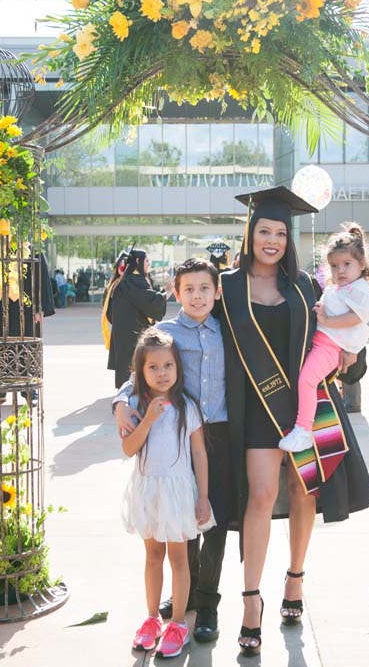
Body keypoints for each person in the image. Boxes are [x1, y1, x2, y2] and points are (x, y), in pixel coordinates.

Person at [219, 186, 369, 655]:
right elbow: (187, 336)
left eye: (280, 233)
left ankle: (295, 578)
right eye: (264, 231)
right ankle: (251, 602)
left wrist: (351, 360)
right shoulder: (226, 284)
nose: (272, 240)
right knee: (261, 495)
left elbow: (343, 333)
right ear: (250, 234)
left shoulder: (306, 286)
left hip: (304, 411)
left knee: (301, 491)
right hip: (255, 409)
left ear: (289, 239)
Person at [115, 258, 232, 644]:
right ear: (175, 291)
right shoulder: (163, 333)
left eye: (204, 289)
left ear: (217, 291)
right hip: (176, 431)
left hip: (220, 434)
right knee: (181, 525)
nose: (197, 297)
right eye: (188, 290)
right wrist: (119, 404)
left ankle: (207, 602)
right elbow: (136, 379)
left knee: (213, 521)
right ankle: (186, 594)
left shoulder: (229, 331)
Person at [121, 328, 213, 658]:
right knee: (153, 556)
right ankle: (151, 619)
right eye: (153, 367)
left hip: (178, 493)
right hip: (149, 491)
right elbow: (130, 448)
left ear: (177, 367)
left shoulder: (186, 407)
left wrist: (203, 497)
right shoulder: (134, 405)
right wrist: (146, 419)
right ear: (141, 371)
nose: (162, 373)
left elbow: (199, 453)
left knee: (179, 558)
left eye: (168, 366)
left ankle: (177, 623)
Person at [279, 222, 369, 452]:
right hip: (321, 342)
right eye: (334, 266)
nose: (340, 270)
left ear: (361, 264)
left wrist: (326, 321)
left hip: (331, 347)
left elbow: (356, 318)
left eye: (347, 264)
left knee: (307, 380)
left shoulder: (360, 289)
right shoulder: (340, 287)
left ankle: (303, 430)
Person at [0, 251, 55, 406]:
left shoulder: (33, 253)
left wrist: (42, 308)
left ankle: (29, 389)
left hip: (26, 311)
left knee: (26, 348)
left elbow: (43, 282)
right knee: (0, 348)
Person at [107, 249, 174, 388]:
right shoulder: (133, 281)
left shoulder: (125, 281)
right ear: (138, 261)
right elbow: (150, 302)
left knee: (129, 371)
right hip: (132, 334)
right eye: (147, 261)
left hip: (124, 333)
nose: (149, 264)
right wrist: (167, 292)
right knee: (134, 370)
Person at [101, 250, 128, 351]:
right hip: (120, 327)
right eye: (120, 264)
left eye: (124, 264)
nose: (122, 267)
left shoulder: (134, 283)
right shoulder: (112, 285)